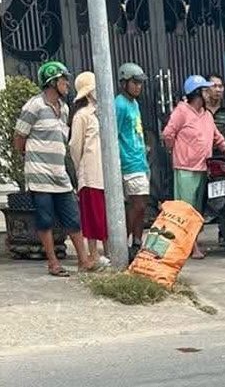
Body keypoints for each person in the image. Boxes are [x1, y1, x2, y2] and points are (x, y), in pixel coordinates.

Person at [14, 61, 95, 276]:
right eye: (63, 80)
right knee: (45, 219)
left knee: (73, 218)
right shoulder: (34, 106)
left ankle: (83, 260)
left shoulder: (65, 109)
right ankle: (53, 263)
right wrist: (31, 158)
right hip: (39, 176)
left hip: (60, 175)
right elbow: (19, 138)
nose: (67, 84)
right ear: (52, 82)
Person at [163, 75, 225, 259]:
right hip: (186, 168)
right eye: (206, 90)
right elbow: (168, 134)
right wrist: (175, 151)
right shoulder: (182, 111)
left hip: (203, 168)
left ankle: (191, 244)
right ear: (197, 93)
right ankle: (191, 247)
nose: (210, 93)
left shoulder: (207, 115)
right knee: (186, 210)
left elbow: (218, 138)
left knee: (196, 211)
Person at [68, 72, 109, 269]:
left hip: (106, 173)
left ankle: (109, 252)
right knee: (92, 216)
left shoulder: (103, 113)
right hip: (91, 172)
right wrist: (80, 168)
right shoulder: (82, 116)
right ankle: (93, 253)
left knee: (106, 215)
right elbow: (75, 146)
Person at [115, 62, 149, 257]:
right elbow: (114, 133)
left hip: (139, 160)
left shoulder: (134, 104)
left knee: (142, 205)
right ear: (124, 83)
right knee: (138, 205)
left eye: (140, 83)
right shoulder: (119, 104)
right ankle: (122, 243)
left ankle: (137, 241)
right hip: (128, 162)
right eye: (134, 82)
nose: (138, 86)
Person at [204, 73, 225, 153]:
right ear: (206, 89)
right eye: (214, 86)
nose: (218, 90)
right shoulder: (201, 111)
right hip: (204, 156)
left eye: (220, 86)